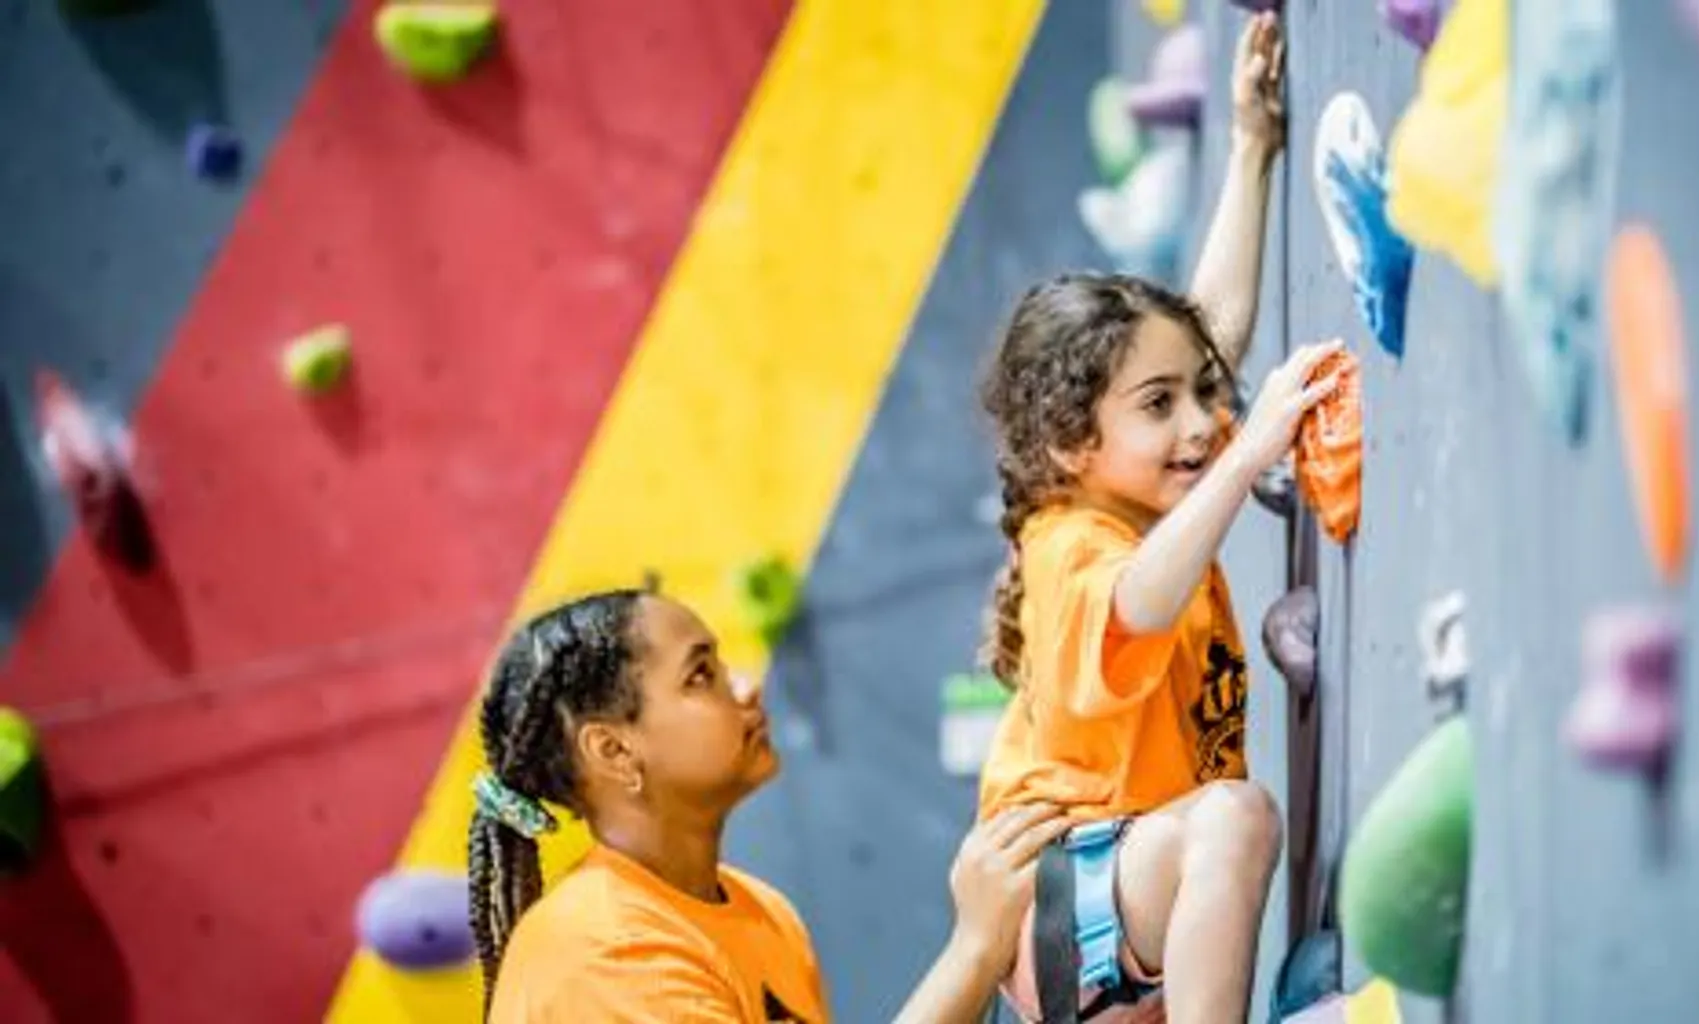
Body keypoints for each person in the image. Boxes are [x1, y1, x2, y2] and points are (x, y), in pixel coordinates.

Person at [973, 12, 1345, 1023]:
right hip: (1063, 897)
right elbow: (1137, 604)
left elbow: (1208, 337)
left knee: (1226, 828)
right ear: (1067, 448)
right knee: (1233, 819)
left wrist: (1252, 149)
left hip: (1124, 895)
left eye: (1196, 399)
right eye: (1157, 407)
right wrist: (1253, 448)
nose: (1199, 423)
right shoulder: (1070, 540)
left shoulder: (1144, 478)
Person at [466, 588, 1070, 1023]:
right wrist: (975, 949)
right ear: (613, 749)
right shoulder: (602, 951)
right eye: (700, 675)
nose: (747, 686)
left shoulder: (763, 911)